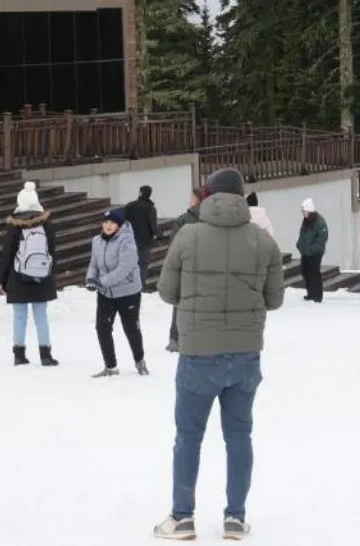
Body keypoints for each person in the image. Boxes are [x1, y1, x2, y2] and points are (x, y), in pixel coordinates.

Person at [152, 168, 285, 540]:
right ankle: (236, 518)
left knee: (188, 436)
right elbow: (274, 299)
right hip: (245, 354)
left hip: (198, 353)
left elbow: (166, 291)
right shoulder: (263, 241)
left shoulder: (188, 235)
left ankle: (181, 518)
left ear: (208, 195)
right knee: (239, 437)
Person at [0, 182, 59, 367]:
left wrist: (2, 279)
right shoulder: (46, 224)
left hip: (18, 276)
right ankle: (46, 355)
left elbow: (7, 254)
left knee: (19, 316)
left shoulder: (14, 225)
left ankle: (19, 354)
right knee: (41, 316)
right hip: (42, 276)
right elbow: (52, 251)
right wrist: (48, 271)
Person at [86, 209, 146, 377]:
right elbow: (93, 264)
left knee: (131, 328)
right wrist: (91, 279)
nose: (108, 225)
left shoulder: (127, 241)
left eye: (112, 222)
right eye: (105, 222)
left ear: (119, 225)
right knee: (102, 328)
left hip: (128, 292)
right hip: (106, 294)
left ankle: (140, 360)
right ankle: (110, 366)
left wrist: (101, 282)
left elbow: (124, 269)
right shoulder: (96, 241)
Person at [166, 188, 205, 353]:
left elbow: (174, 248)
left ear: (197, 200)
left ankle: (176, 338)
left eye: (192, 197)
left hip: (185, 268)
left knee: (180, 303)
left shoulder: (183, 220)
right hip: (206, 268)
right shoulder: (213, 220)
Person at [124, 185, 159, 288]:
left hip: (129, 240)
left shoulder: (129, 206)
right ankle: (140, 286)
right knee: (142, 265)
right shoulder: (150, 208)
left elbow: (123, 222)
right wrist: (159, 235)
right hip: (144, 242)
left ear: (140, 193)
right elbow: (153, 226)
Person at [295, 198, 328, 303]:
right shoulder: (306, 221)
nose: (303, 213)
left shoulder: (319, 221)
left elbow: (323, 237)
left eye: (304, 211)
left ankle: (317, 295)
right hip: (306, 252)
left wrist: (312, 248)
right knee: (305, 272)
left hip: (315, 253)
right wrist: (299, 244)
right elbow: (303, 234)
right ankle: (310, 293)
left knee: (314, 273)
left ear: (309, 211)